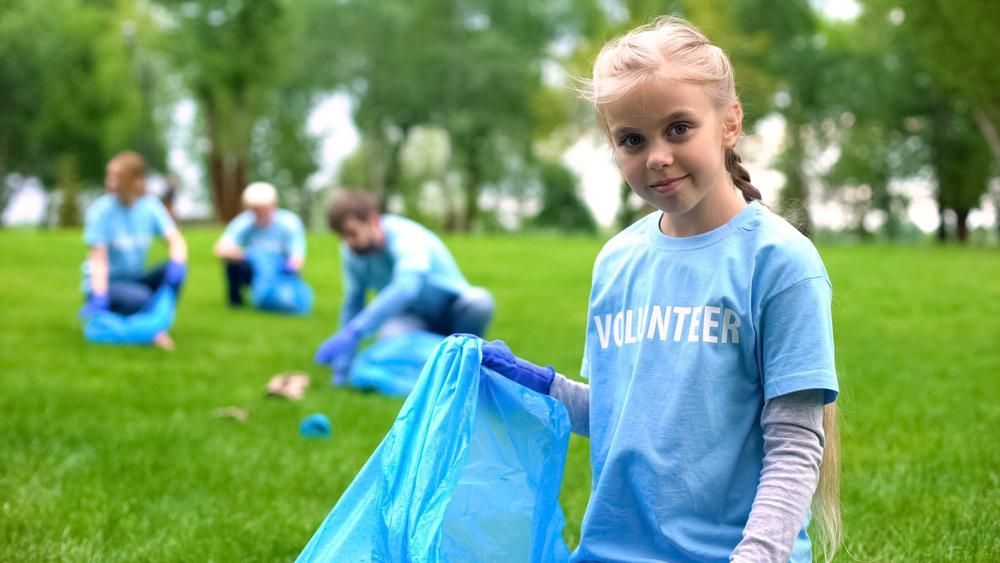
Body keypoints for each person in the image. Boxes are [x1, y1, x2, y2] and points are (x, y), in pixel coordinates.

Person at [478, 17, 841, 563]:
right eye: (632, 139)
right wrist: (539, 385)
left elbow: (794, 445)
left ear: (729, 122)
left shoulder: (779, 262)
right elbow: (619, 413)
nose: (657, 157)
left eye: (678, 128)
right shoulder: (616, 261)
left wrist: (758, 557)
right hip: (611, 551)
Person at [315, 190, 494, 383]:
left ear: (373, 220)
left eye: (352, 233)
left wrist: (356, 330)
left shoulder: (406, 235)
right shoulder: (352, 253)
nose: (348, 243)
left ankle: (468, 361)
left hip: (453, 310)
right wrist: (343, 363)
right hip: (413, 318)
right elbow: (353, 302)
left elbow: (406, 288)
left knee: (479, 302)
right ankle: (436, 370)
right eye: (342, 236)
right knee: (390, 336)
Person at [80, 151, 188, 349]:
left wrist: (177, 263)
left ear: (137, 180)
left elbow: (175, 240)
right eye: (109, 176)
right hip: (106, 283)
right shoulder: (101, 211)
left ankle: (155, 327)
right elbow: (98, 260)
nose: (110, 182)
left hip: (135, 279)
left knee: (172, 272)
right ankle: (148, 331)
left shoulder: (150, 207)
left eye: (117, 177)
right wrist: (99, 294)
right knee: (140, 298)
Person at [213, 182, 307, 307]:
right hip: (253, 268)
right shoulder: (245, 222)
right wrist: (247, 255)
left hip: (281, 270)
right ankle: (235, 302)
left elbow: (298, 256)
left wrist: (288, 266)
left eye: (262, 209)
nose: (258, 214)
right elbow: (220, 249)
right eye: (254, 210)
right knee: (233, 265)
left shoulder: (290, 223)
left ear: (273, 206)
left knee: (288, 284)